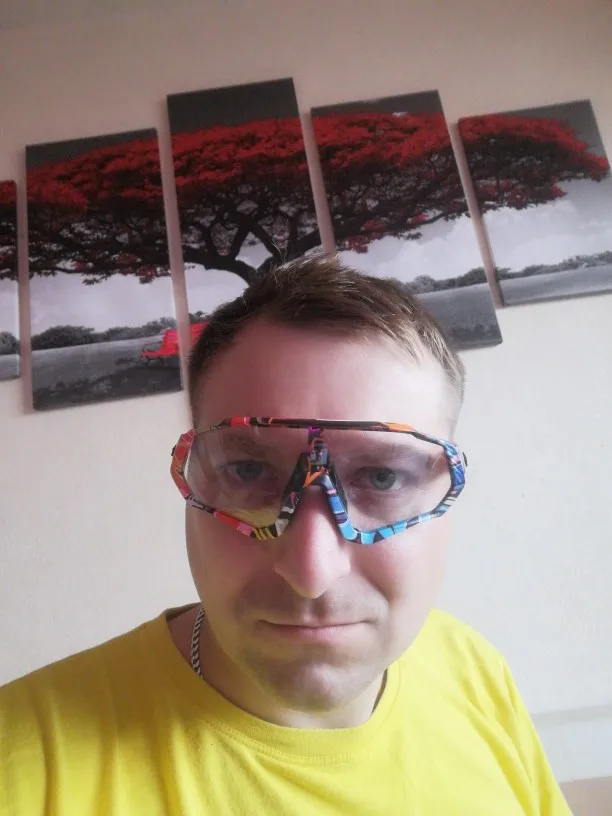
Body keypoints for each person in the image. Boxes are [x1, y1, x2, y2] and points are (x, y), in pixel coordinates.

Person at [0, 255, 571, 815]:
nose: (310, 571)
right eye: (249, 470)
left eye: (382, 476)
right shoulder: (24, 761)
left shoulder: (475, 672)